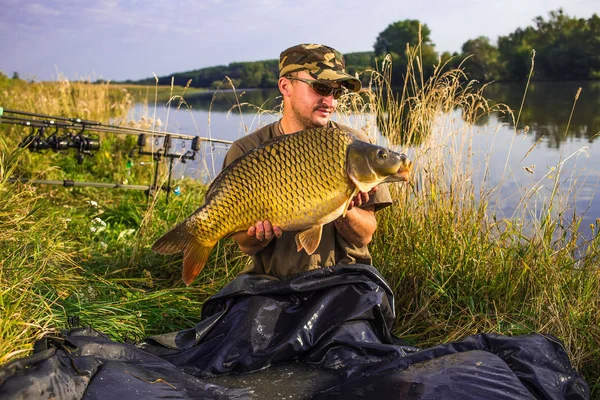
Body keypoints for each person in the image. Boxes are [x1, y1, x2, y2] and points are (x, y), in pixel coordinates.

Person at [222, 43, 393, 278]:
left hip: (344, 277)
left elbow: (365, 235)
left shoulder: (356, 146)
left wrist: (342, 207)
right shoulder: (246, 150)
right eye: (321, 87)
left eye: (338, 92)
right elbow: (245, 245)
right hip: (272, 281)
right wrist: (260, 234)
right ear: (285, 86)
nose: (331, 101)